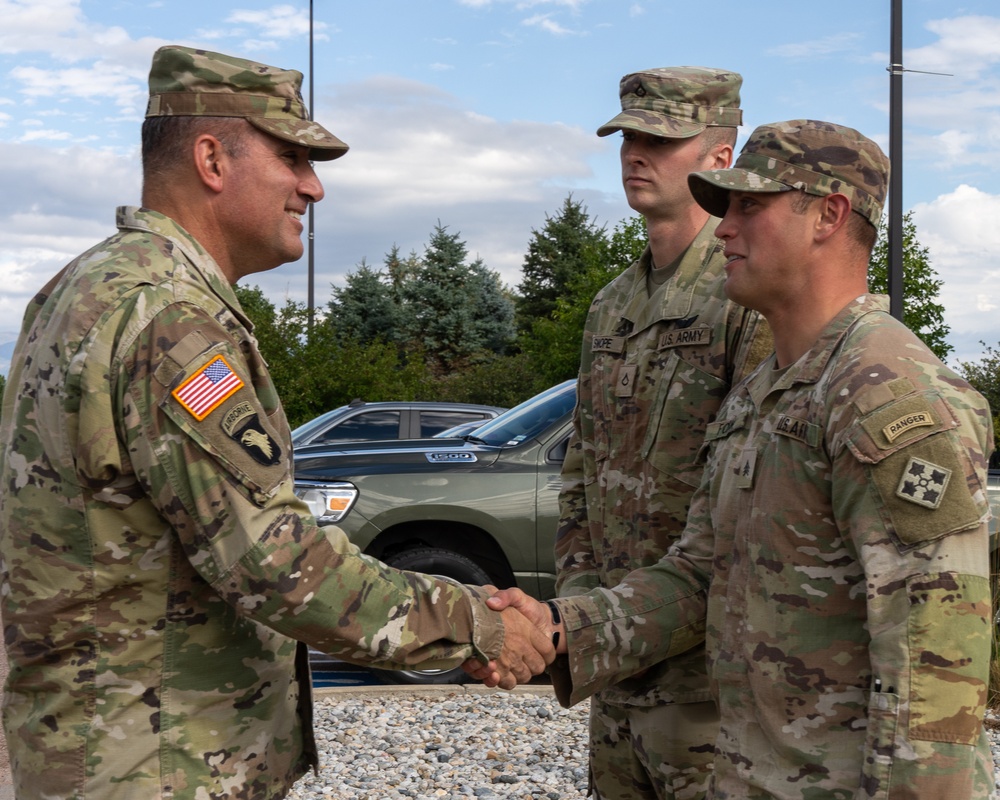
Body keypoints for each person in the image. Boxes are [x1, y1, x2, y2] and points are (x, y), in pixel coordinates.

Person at [0, 45, 552, 800]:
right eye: (292, 157)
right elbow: (276, 564)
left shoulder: (82, 288)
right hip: (155, 767)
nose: (313, 187)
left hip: (97, 751)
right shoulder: (169, 320)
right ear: (210, 159)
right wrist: (482, 626)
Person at [475, 119, 996, 797]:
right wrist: (561, 626)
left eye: (750, 206)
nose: (723, 228)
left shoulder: (886, 395)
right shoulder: (764, 391)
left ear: (828, 216)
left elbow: (938, 673)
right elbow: (697, 576)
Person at [552, 66, 768, 800]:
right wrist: (582, 610)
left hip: (711, 683)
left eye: (659, 139)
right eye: (627, 138)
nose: (634, 154)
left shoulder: (747, 296)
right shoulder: (611, 304)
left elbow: (751, 501)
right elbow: (581, 470)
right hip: (616, 665)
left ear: (718, 155)